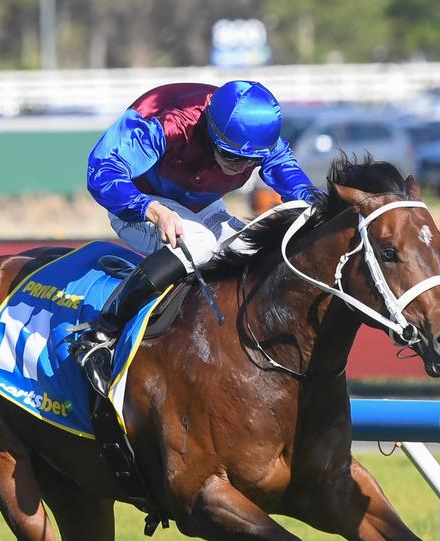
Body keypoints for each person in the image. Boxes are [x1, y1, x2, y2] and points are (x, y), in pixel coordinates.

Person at [73, 80, 320, 394]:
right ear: (213, 134)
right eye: (233, 157)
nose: (242, 168)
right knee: (200, 243)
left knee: (252, 248)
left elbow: (294, 182)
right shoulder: (170, 122)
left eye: (252, 161)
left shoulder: (255, 136)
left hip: (202, 205)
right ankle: (101, 335)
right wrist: (152, 209)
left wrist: (320, 209)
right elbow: (102, 170)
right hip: (139, 204)